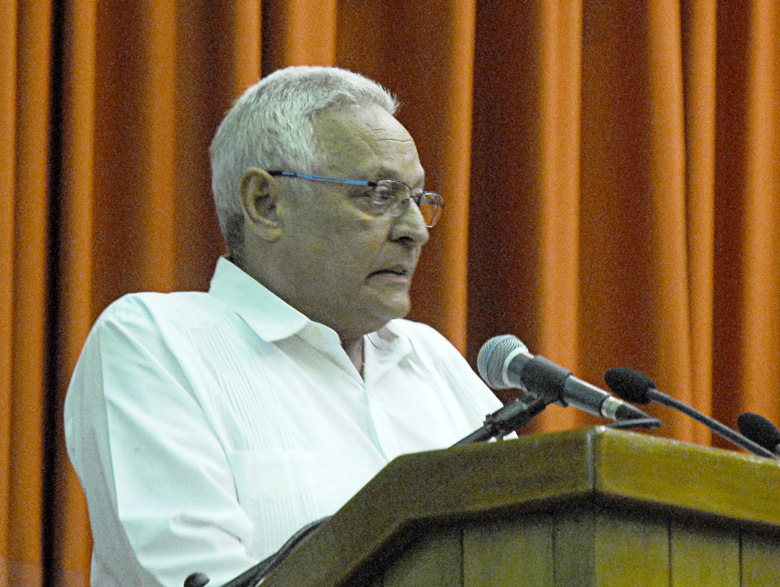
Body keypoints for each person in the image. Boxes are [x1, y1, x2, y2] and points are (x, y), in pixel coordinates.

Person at [65, 66, 504, 587]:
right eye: (379, 194)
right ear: (265, 204)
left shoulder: (431, 360)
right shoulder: (156, 343)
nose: (414, 232)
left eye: (418, 200)